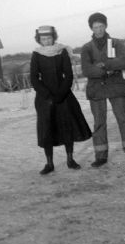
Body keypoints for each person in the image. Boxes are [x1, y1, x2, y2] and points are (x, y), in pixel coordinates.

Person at [81, 12, 125, 167]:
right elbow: (86, 70)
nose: (99, 30)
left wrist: (105, 65)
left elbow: (123, 61)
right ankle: (101, 156)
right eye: (95, 27)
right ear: (91, 28)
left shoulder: (116, 43)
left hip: (116, 86)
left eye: (101, 26)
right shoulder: (87, 48)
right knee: (99, 123)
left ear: (106, 26)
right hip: (96, 89)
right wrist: (105, 70)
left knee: (123, 119)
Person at [30, 25, 92, 175]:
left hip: (63, 96)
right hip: (44, 99)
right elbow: (34, 78)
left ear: (53, 37)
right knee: (47, 129)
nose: (46, 41)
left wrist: (60, 94)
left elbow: (68, 75)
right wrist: (47, 95)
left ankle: (70, 159)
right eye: (43, 39)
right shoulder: (36, 54)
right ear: (39, 40)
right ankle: (49, 163)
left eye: (49, 38)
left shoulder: (62, 51)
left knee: (67, 126)